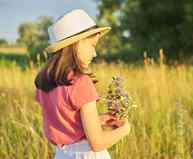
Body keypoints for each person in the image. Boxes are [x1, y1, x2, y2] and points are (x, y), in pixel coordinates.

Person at [34, 9, 131, 159]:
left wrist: (98, 120)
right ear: (76, 44)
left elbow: (64, 124)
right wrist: (124, 130)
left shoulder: (45, 81)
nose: (95, 53)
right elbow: (97, 143)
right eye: (92, 45)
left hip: (62, 154)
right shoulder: (81, 82)